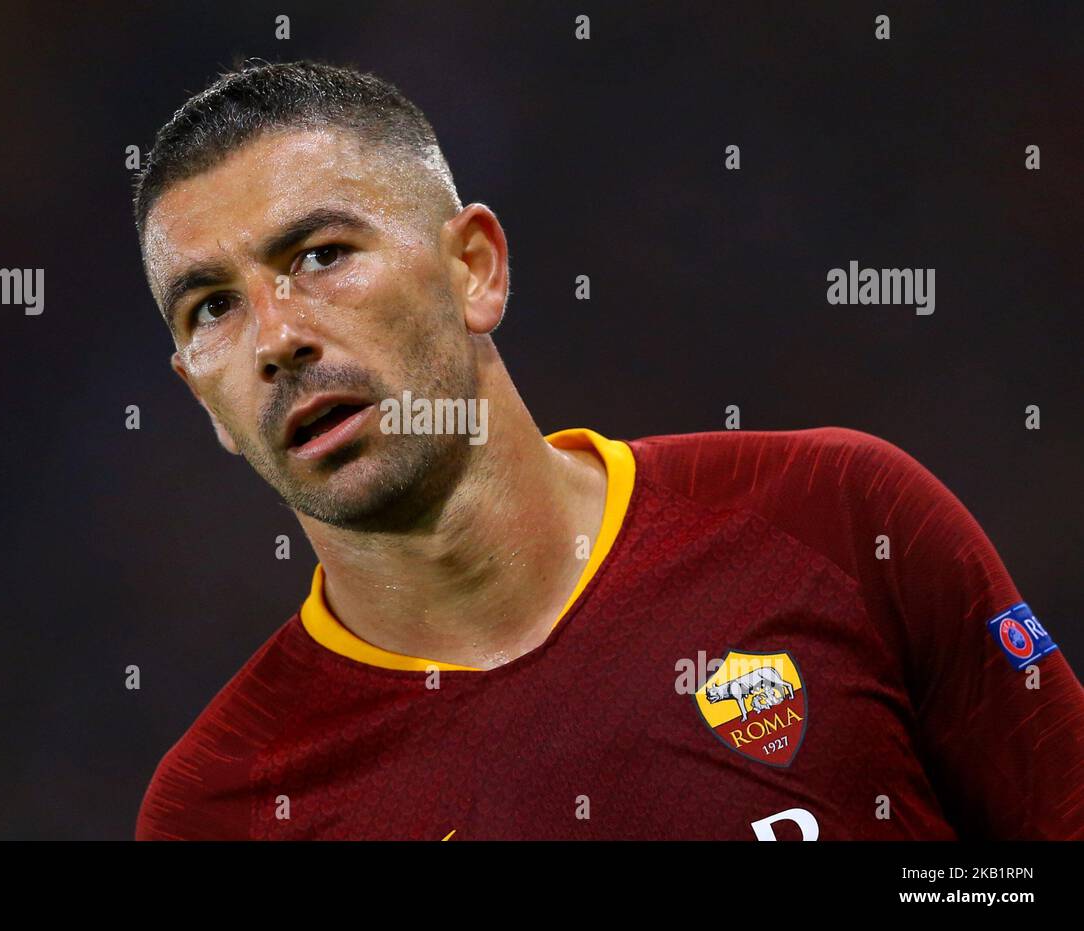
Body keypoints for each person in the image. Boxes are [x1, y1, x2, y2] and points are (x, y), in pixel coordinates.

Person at [130, 59, 1084, 840]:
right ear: (200, 397)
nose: (276, 337)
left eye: (322, 256)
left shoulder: (839, 516)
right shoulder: (222, 807)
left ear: (475, 270)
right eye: (211, 307)